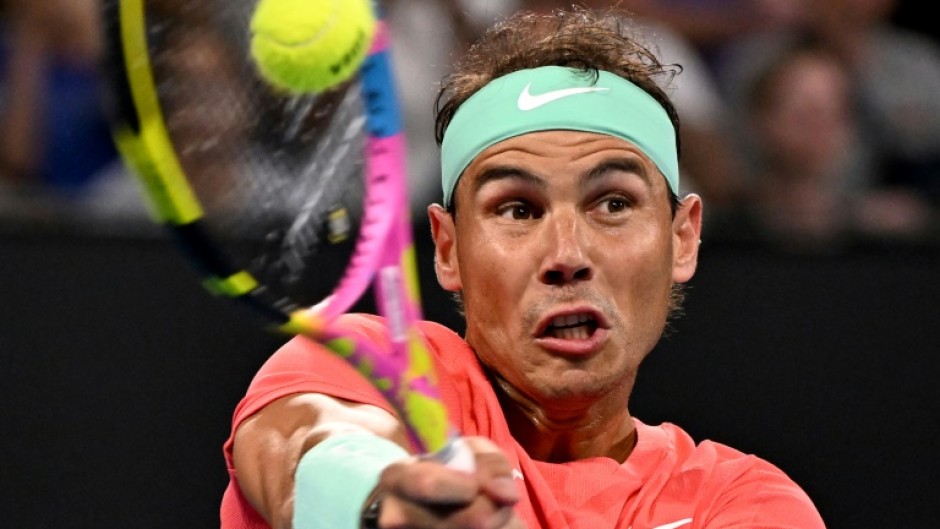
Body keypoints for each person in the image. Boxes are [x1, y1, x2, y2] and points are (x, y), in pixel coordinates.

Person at [221, 8, 826, 529]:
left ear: (683, 238)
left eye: (613, 204)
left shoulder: (744, 503)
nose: (566, 255)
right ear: (449, 248)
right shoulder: (365, 367)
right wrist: (384, 501)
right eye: (517, 209)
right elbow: (312, 444)